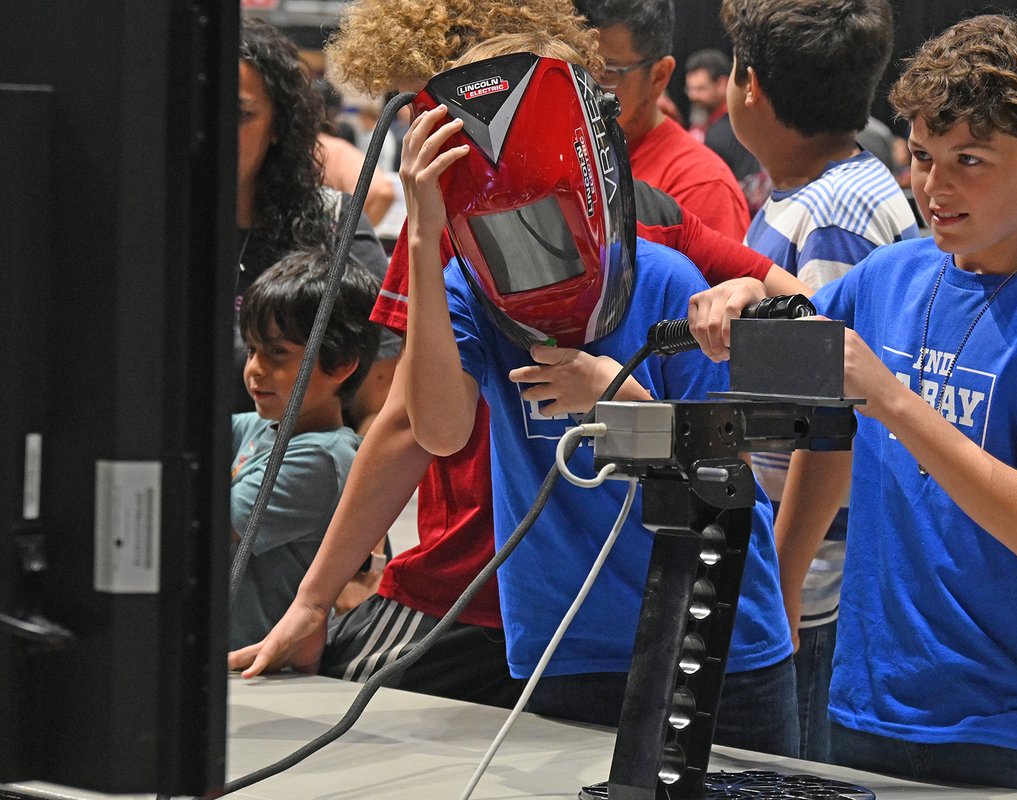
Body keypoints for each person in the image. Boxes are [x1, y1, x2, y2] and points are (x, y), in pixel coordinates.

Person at [230, 5, 806, 714]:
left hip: (679, 620)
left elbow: (768, 403)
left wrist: (754, 295)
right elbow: (422, 425)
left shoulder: (660, 247)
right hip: (543, 612)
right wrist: (313, 599)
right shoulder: (453, 259)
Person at [692, 14, 1017, 798]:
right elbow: (819, 376)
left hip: (1011, 727)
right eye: (925, 158)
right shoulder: (893, 276)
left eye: (970, 161)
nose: (936, 187)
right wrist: (747, 293)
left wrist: (895, 402)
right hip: (868, 703)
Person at [398, 38, 797, 755]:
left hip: (713, 642)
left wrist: (613, 401)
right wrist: (426, 235)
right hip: (565, 644)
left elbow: (723, 477)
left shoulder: (670, 283)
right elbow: (438, 430)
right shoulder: (468, 293)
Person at [716, 0, 917, 763]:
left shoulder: (831, 218)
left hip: (811, 579)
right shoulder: (822, 194)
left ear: (750, 85)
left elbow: (831, 419)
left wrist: (787, 577)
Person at [237, 19, 400, 436]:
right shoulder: (145, 233)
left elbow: (378, 404)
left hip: (295, 487)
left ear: (278, 125)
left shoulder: (332, 224)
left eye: (241, 115)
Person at [230, 250, 381, 650]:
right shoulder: (256, 429)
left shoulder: (322, 458)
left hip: (260, 662)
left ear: (341, 363)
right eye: (250, 350)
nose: (255, 369)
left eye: (277, 353)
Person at [576, 0, 751, 240]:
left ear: (659, 76)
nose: (584, 88)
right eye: (577, 68)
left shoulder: (701, 186)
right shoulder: (569, 153)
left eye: (607, 72)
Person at [684, 48, 770, 214]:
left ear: (722, 84)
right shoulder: (706, 126)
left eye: (701, 89)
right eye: (690, 89)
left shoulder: (732, 129)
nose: (693, 96)